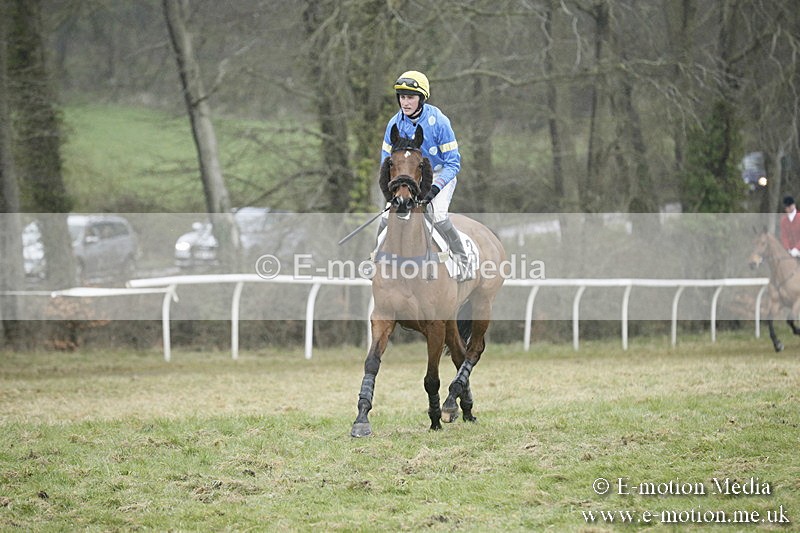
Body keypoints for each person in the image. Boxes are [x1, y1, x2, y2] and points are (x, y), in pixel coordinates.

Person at [377, 70, 470, 280]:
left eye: (410, 97)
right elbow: (386, 164)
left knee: (438, 216)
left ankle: (463, 261)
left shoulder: (439, 122)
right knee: (385, 216)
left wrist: (434, 189)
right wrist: (391, 193)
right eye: (402, 97)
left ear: (421, 98)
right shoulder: (394, 124)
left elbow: (453, 163)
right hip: (406, 180)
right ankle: (374, 260)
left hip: (439, 174)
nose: (405, 102)